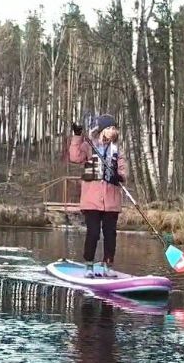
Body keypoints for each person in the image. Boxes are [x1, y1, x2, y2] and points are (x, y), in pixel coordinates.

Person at [67, 114, 128, 278]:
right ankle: (88, 266)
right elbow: (74, 157)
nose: (113, 131)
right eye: (109, 128)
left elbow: (123, 171)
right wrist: (77, 136)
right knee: (93, 233)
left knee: (110, 235)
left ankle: (108, 266)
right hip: (91, 201)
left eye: (114, 128)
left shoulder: (117, 151)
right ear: (101, 130)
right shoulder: (89, 146)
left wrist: (119, 177)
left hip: (112, 202)